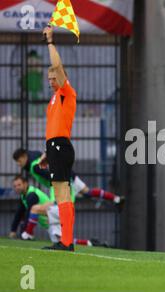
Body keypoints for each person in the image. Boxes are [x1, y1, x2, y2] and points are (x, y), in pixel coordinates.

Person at [39, 26, 77, 251]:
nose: (51, 80)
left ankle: (66, 241)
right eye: (49, 78)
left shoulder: (66, 92)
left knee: (62, 193)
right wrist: (46, 152)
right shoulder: (54, 99)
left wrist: (50, 41)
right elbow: (54, 127)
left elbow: (57, 65)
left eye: (54, 77)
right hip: (55, 147)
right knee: (62, 192)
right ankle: (66, 240)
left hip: (61, 147)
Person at [12, 148, 124, 204]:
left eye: (19, 160)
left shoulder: (34, 166)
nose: (18, 164)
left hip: (64, 180)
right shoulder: (35, 154)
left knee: (60, 210)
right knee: (87, 193)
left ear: (24, 156)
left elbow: (52, 177)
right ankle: (116, 199)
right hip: (67, 174)